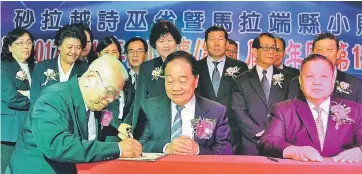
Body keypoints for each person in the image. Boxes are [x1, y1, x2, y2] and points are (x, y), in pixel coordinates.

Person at [7, 55, 142, 174]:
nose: (111, 99)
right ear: (90, 78)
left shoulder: (95, 103)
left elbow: (96, 137)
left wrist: (123, 140)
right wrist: (117, 149)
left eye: (116, 95)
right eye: (110, 91)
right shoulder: (54, 97)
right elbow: (57, 145)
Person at [260, 54, 362, 163]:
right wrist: (293, 151)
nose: (317, 82)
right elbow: (268, 141)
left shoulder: (354, 110)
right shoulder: (283, 110)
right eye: (310, 76)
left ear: (333, 81)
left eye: (323, 76)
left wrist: (360, 150)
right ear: (300, 81)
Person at [139, 51, 232, 155]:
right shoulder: (148, 108)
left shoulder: (216, 111)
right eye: (170, 81)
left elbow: (225, 150)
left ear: (196, 81)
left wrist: (198, 150)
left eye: (183, 81)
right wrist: (166, 147)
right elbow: (139, 144)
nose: (176, 88)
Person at [231, 33, 292, 155]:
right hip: (251, 143)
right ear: (254, 51)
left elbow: (291, 110)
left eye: (273, 48)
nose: (271, 52)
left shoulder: (288, 78)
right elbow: (238, 111)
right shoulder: (241, 80)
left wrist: (275, 134)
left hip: (280, 143)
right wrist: (259, 134)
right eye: (266, 48)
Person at [196, 26, 248, 154]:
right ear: (205, 43)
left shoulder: (240, 67)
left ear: (226, 43)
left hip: (232, 128)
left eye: (220, 39)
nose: (217, 43)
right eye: (212, 39)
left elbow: (245, 99)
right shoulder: (196, 66)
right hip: (202, 128)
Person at [131, 19, 181, 138]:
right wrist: (135, 133)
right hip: (154, 125)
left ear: (176, 42)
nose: (166, 45)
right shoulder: (147, 68)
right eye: (161, 41)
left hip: (180, 121)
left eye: (170, 40)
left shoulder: (187, 64)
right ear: (154, 44)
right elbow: (139, 102)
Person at [288, 33, 362, 103]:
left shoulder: (356, 85)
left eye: (329, 50)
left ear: (338, 53)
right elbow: (290, 113)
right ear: (312, 53)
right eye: (319, 50)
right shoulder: (297, 82)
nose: (324, 54)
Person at [1, 28, 36, 174]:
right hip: (10, 129)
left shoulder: (36, 67)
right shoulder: (4, 67)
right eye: (20, 43)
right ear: (9, 47)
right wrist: (36, 101)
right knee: (5, 168)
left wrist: (27, 94)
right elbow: (11, 97)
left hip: (32, 129)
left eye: (28, 42)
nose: (26, 46)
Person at [30, 24, 89, 106]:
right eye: (69, 47)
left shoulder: (87, 70)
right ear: (59, 46)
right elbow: (35, 100)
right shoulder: (41, 67)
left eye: (78, 47)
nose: (73, 51)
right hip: (46, 117)